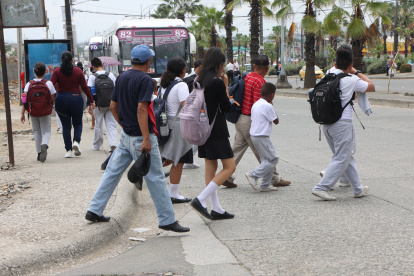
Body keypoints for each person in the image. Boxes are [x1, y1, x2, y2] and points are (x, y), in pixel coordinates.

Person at [86, 44, 189, 233]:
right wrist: (145, 138)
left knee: (111, 172)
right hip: (142, 136)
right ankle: (167, 219)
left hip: (126, 135)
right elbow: (142, 109)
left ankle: (94, 209)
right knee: (156, 178)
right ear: (148, 61)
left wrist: (123, 125)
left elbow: (113, 106)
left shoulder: (122, 77)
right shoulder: (145, 80)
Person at [311, 44, 375, 201]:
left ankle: (357, 188)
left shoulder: (328, 74)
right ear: (351, 65)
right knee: (342, 157)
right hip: (342, 123)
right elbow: (371, 86)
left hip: (325, 123)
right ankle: (321, 187)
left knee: (346, 156)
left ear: (335, 64)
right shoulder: (351, 79)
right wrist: (356, 72)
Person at [222, 55, 291, 189]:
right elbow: (259, 105)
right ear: (267, 68)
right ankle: (274, 178)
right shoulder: (260, 83)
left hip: (240, 118)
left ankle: (226, 176)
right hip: (250, 121)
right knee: (263, 152)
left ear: (254, 67)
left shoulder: (246, 77)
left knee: (236, 150)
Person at [190, 47, 236, 220]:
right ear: (219, 64)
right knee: (230, 167)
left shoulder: (197, 80)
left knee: (211, 166)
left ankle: (216, 208)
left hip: (202, 129)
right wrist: (225, 86)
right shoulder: (216, 83)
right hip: (216, 129)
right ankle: (201, 199)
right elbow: (226, 108)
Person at [159, 57, 193, 204]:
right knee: (178, 159)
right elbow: (186, 105)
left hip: (165, 124)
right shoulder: (181, 85)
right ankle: (173, 193)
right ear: (182, 70)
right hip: (178, 124)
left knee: (170, 157)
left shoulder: (163, 85)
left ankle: (143, 172)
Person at [51, 51, 95, 158]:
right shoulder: (78, 71)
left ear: (61, 60)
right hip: (76, 98)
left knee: (66, 127)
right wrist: (91, 100)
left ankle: (68, 150)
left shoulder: (56, 72)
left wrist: (52, 100)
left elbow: (51, 86)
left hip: (61, 99)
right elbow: (84, 87)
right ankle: (76, 141)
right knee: (78, 123)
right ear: (72, 60)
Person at [245, 82, 280, 192]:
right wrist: (272, 107)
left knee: (266, 160)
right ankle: (253, 175)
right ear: (272, 95)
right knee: (273, 159)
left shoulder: (256, 104)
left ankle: (265, 185)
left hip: (255, 135)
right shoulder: (267, 105)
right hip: (261, 136)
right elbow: (276, 121)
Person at [20, 62, 56, 162]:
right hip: (45, 110)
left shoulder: (29, 84)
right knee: (46, 131)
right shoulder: (48, 83)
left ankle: (39, 153)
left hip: (33, 111)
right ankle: (44, 144)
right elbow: (52, 98)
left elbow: (24, 99)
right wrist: (50, 106)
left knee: (36, 131)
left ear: (34, 71)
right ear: (45, 71)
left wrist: (23, 113)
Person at [88, 57, 118, 152]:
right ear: (102, 64)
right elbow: (116, 88)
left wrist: (90, 103)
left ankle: (97, 145)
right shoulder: (110, 75)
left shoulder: (93, 76)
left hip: (98, 104)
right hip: (110, 103)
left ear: (93, 66)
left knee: (98, 124)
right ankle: (113, 144)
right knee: (111, 124)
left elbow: (89, 90)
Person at [183, 59, 203, 169]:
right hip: (194, 111)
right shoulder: (192, 80)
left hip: (190, 111)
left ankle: (189, 159)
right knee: (198, 137)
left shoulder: (187, 79)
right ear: (199, 66)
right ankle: (188, 159)